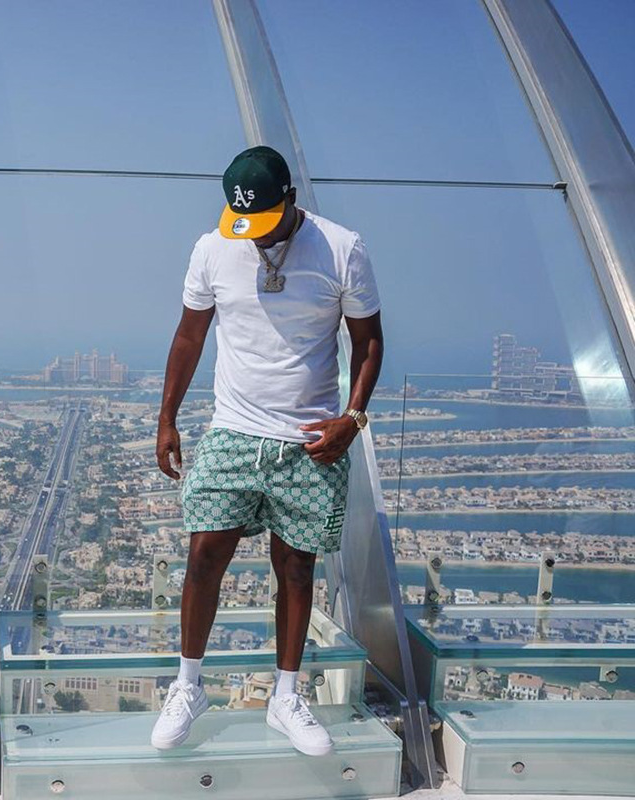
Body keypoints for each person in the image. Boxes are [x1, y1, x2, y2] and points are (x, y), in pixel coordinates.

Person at [150, 145, 383, 756]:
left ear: (291, 201)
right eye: (242, 222)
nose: (252, 235)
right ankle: (188, 686)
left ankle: (285, 696)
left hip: (309, 437)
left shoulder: (342, 249)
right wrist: (167, 418)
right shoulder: (212, 248)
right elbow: (189, 335)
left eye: (264, 221)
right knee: (204, 555)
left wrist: (353, 418)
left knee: (297, 568)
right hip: (232, 429)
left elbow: (368, 341)